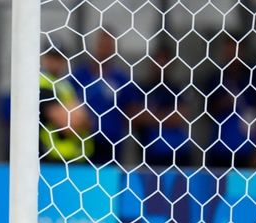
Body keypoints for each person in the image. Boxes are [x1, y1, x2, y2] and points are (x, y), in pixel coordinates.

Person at [70, 29, 141, 165]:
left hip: (112, 145)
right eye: (102, 45)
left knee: (109, 182)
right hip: (83, 143)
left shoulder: (122, 79)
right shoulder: (79, 76)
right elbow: (67, 101)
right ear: (95, 46)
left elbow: (132, 110)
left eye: (109, 46)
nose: (105, 50)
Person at [204, 36, 256, 168]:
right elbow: (206, 113)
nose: (232, 53)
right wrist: (223, 103)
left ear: (243, 50)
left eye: (236, 48)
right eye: (229, 48)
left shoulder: (254, 76)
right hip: (219, 150)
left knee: (245, 187)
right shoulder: (216, 77)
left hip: (247, 151)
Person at [134, 48, 191, 167]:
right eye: (158, 60)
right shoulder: (142, 87)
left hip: (178, 154)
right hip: (149, 154)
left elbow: (181, 116)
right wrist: (167, 116)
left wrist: (151, 117)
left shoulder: (177, 88)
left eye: (164, 60)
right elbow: (135, 116)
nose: (161, 64)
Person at [38, 48, 92, 163]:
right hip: (49, 158)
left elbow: (89, 123)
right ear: (44, 59)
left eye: (59, 58)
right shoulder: (41, 86)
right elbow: (68, 125)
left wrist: (77, 117)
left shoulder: (66, 86)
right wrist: (76, 114)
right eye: (51, 57)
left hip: (72, 158)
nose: (55, 62)